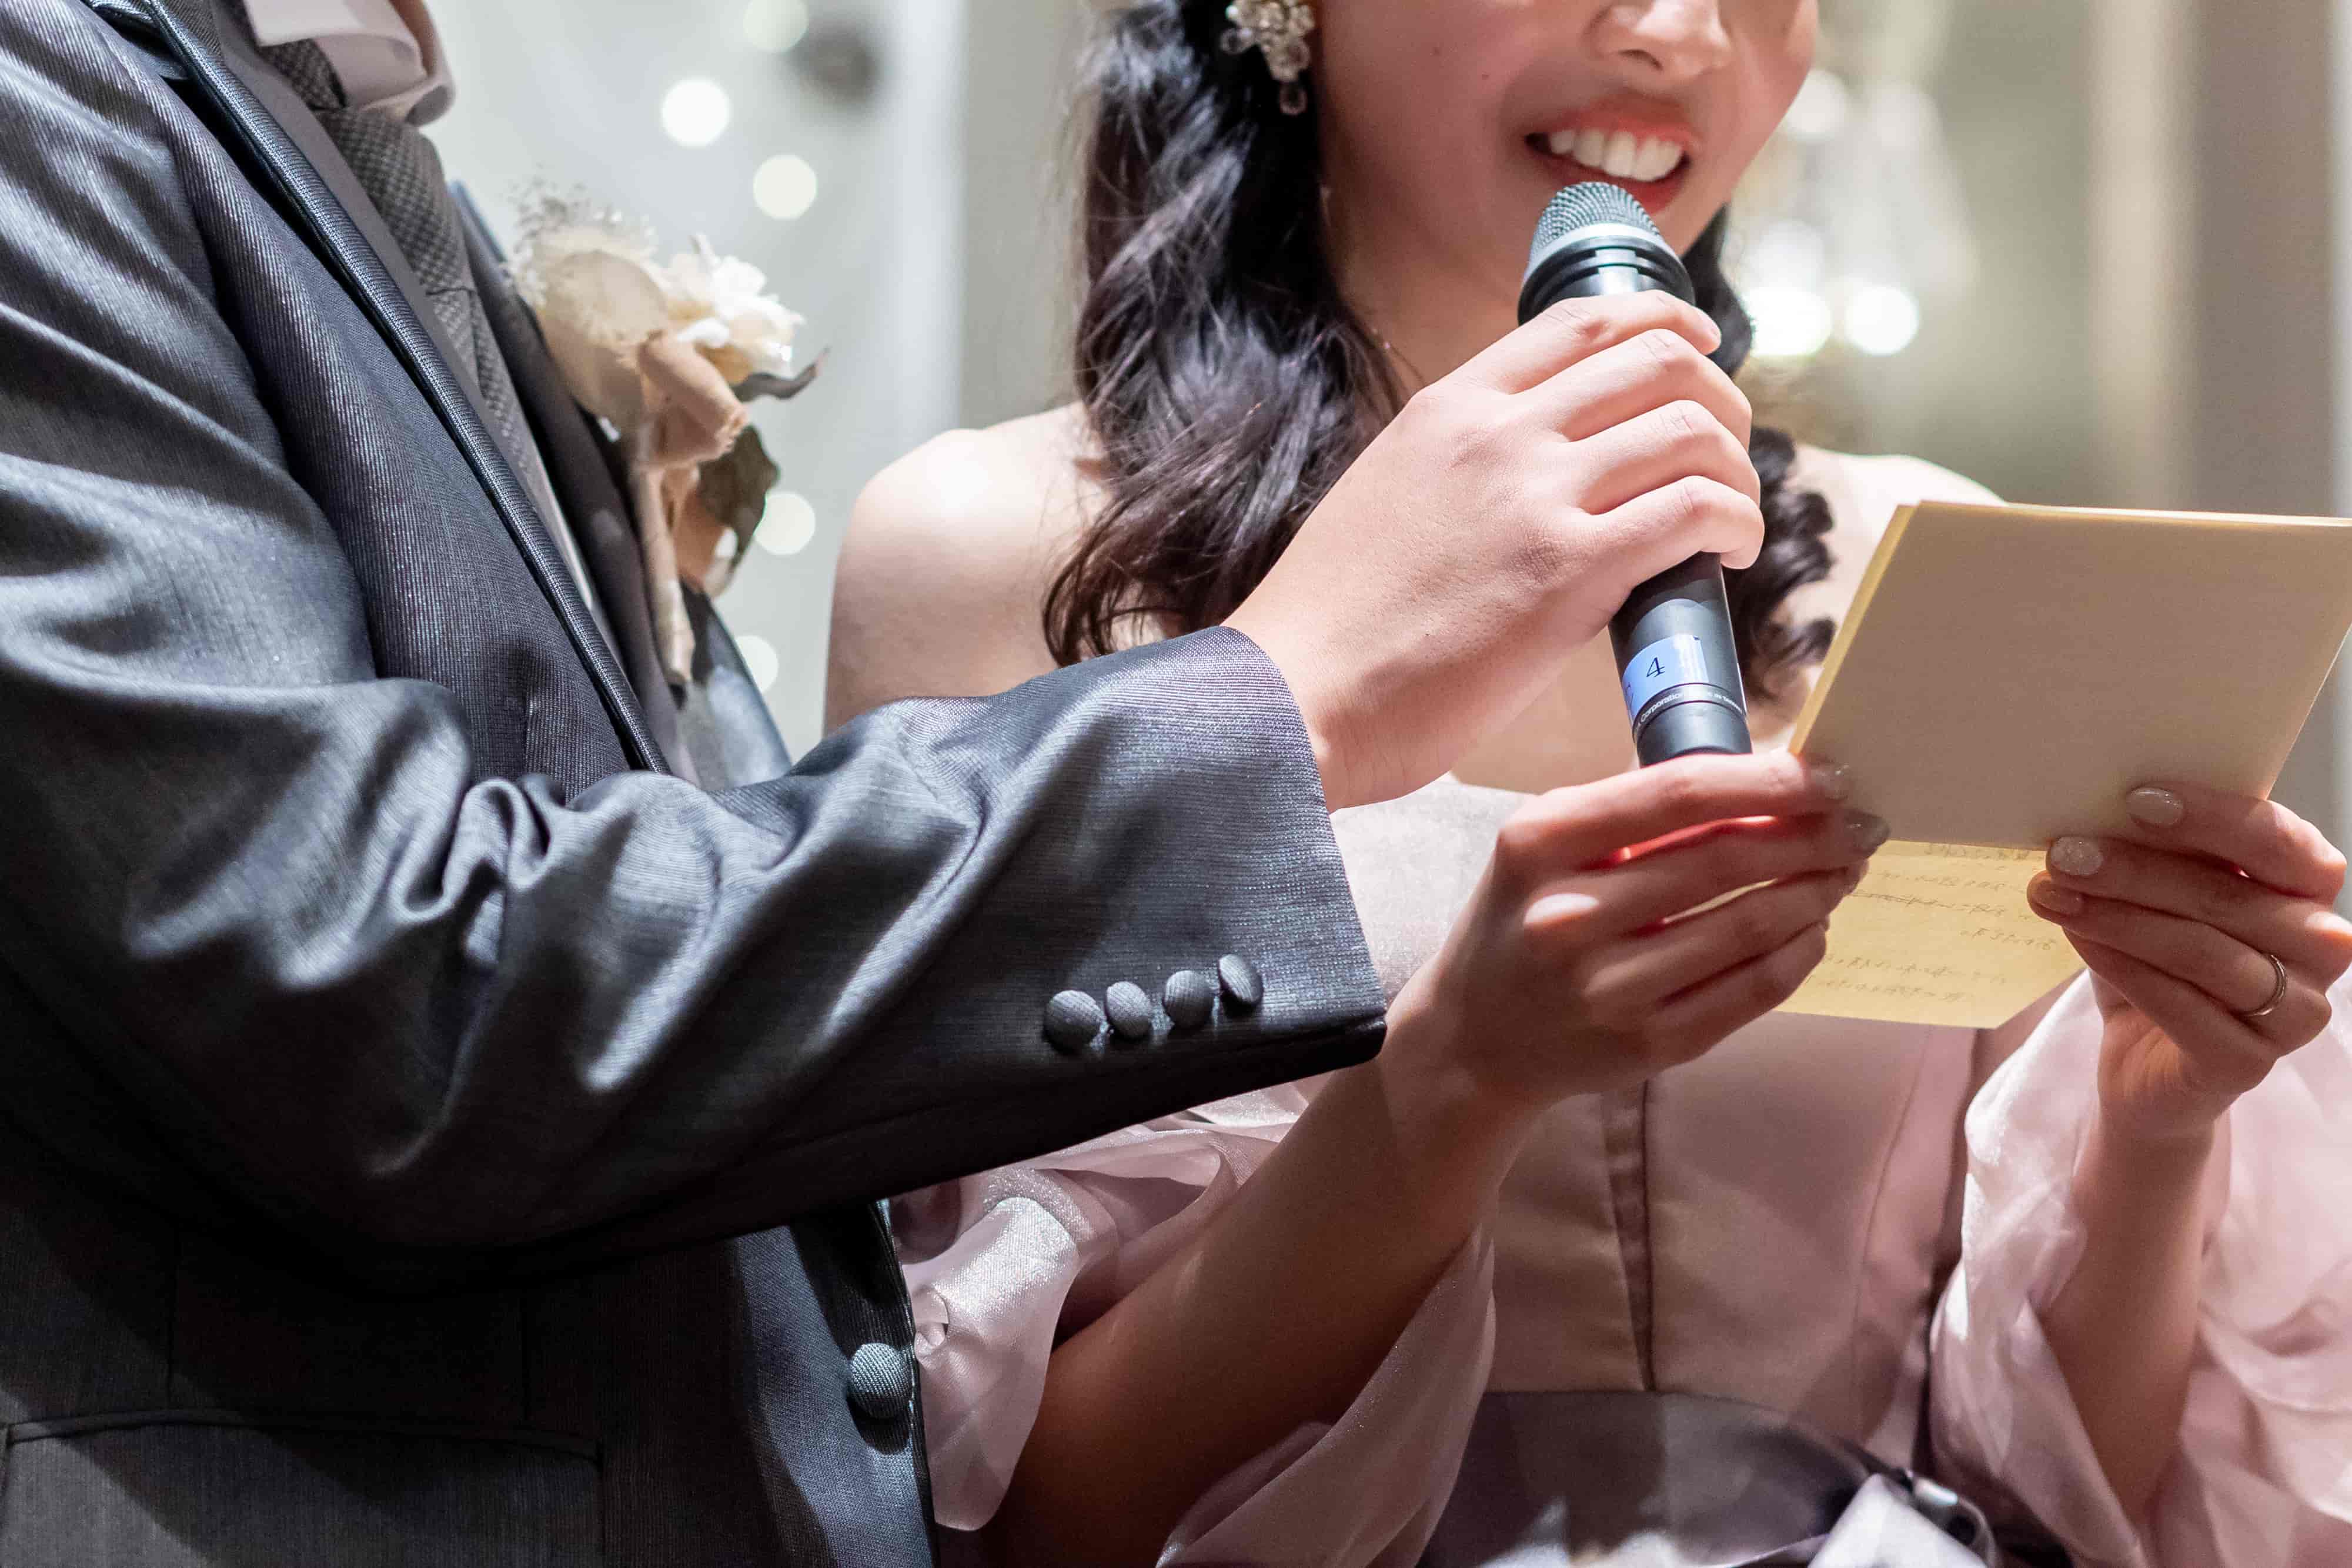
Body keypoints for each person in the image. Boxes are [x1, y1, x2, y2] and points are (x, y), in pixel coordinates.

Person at [0, 1, 1792, 1563]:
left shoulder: (368, 154)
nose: (1678, 28)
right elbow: (388, 996)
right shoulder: (55, 91)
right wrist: (1279, 699)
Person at [828, 1, 2352, 1564]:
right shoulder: (997, 564)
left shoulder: (1931, 557)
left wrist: (2158, 1123)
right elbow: (1007, 1509)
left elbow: (2070, 1505)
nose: (1679, 33)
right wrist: (1453, 1079)